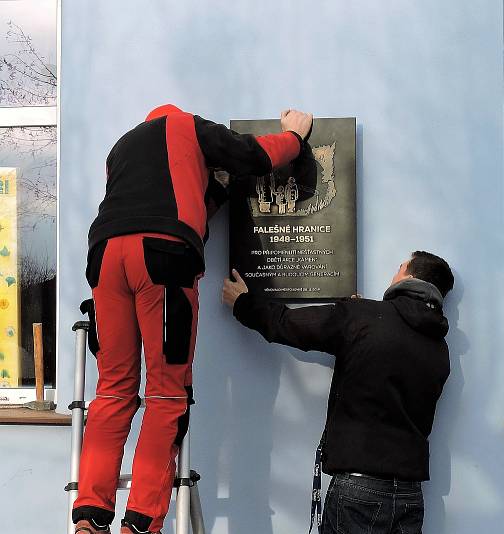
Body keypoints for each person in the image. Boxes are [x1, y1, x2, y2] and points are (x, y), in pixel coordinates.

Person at [72, 104, 314, 534]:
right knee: (166, 393)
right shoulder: (185, 125)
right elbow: (254, 156)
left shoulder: (121, 149)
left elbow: (179, 209)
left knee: (112, 391)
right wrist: (294, 138)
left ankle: (89, 516)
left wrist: (216, 190)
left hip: (105, 258)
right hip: (162, 259)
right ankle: (140, 523)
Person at [222, 250, 454, 534]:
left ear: (410, 276)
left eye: (399, 267)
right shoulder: (439, 349)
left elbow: (290, 325)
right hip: (410, 493)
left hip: (358, 489)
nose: (393, 274)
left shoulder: (362, 317)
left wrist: (243, 303)